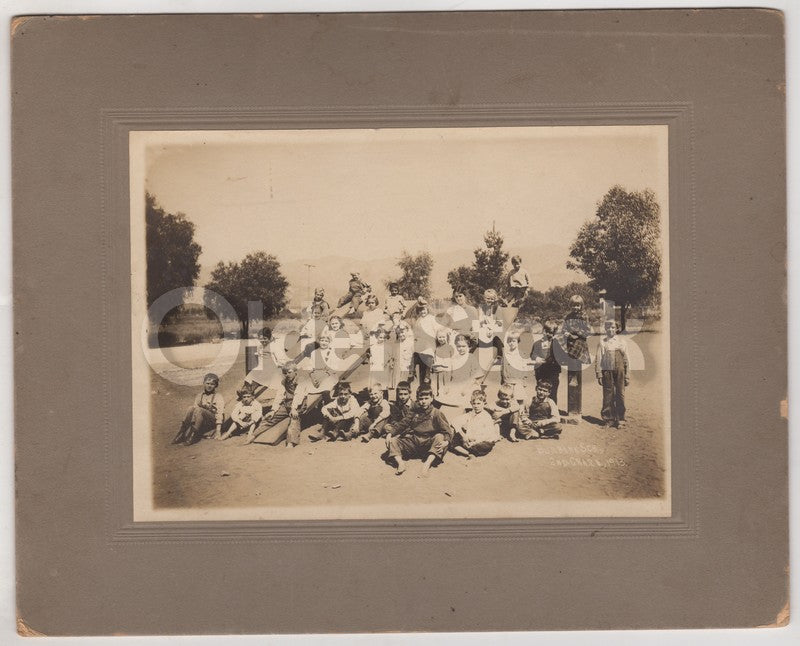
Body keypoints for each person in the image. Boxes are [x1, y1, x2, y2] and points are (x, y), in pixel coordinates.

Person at [385, 386, 453, 477]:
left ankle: (427, 465)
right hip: (415, 441)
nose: (423, 401)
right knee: (393, 440)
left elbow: (447, 430)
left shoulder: (436, 413)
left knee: (440, 437)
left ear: (432, 398)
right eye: (421, 399)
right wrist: (390, 433)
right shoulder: (414, 411)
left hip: (429, 442)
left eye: (426, 398)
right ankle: (400, 463)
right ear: (417, 399)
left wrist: (446, 442)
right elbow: (403, 423)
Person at [244, 363, 299, 445]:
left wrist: (294, 408)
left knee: (294, 420)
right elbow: (279, 395)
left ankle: (291, 442)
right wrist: (273, 410)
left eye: (289, 372)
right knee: (270, 417)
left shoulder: (300, 380)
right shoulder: (284, 382)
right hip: (287, 404)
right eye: (285, 373)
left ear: (295, 372)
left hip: (298, 404)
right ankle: (253, 435)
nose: (287, 375)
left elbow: (299, 395)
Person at [172, 373, 225, 445]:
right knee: (191, 408)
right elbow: (194, 412)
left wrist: (218, 430)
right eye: (207, 383)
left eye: (212, 384)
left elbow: (220, 413)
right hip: (202, 421)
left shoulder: (218, 397)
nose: (209, 386)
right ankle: (182, 433)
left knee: (199, 410)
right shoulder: (199, 396)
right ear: (204, 383)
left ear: (216, 385)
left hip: (212, 421)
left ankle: (193, 436)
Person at [594, 319, 629, 428]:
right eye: (608, 327)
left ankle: (620, 418)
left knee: (620, 393)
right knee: (608, 394)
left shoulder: (622, 342)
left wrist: (627, 375)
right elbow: (598, 359)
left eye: (613, 327)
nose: (610, 329)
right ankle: (608, 419)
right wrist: (599, 373)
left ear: (617, 328)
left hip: (620, 370)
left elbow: (626, 360)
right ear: (605, 329)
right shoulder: (602, 342)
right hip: (607, 371)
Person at [435, 333, 484, 408]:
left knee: (467, 395)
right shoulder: (454, 358)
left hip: (469, 383)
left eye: (463, 346)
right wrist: (447, 386)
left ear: (469, 347)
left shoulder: (471, 358)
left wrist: (466, 388)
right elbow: (450, 374)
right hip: (456, 383)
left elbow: (475, 377)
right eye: (459, 346)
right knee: (444, 393)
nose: (461, 349)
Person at [450, 390, 501, 458]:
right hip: (469, 439)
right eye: (474, 404)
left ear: (484, 403)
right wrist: (464, 436)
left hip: (481, 440)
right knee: (452, 439)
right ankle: (468, 453)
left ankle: (465, 450)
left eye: (478, 403)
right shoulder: (471, 413)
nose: (476, 406)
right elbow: (454, 421)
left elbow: (487, 435)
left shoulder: (486, 416)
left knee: (484, 447)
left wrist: (474, 442)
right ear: (471, 403)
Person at [500, 328, 536, 404]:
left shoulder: (522, 354)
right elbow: (503, 368)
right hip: (508, 381)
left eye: (514, 341)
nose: (511, 343)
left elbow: (525, 369)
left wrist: (524, 382)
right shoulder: (505, 355)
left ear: (517, 342)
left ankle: (521, 413)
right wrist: (503, 380)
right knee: (508, 400)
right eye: (509, 341)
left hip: (518, 382)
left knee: (519, 401)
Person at [411, 297, 442, 385]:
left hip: (430, 343)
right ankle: (416, 377)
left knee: (428, 356)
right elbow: (415, 333)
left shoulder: (432, 318)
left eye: (424, 310)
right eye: (420, 310)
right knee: (419, 364)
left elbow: (438, 330)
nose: (422, 312)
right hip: (420, 345)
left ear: (427, 309)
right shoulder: (418, 320)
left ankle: (428, 375)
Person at [531, 319, 561, 404]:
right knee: (541, 391)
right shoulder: (537, 343)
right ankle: (540, 408)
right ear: (544, 331)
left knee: (553, 393)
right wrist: (537, 358)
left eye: (552, 333)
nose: (549, 334)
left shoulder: (557, 343)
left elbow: (561, 356)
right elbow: (532, 354)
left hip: (553, 372)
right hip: (541, 371)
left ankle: (552, 410)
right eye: (547, 332)